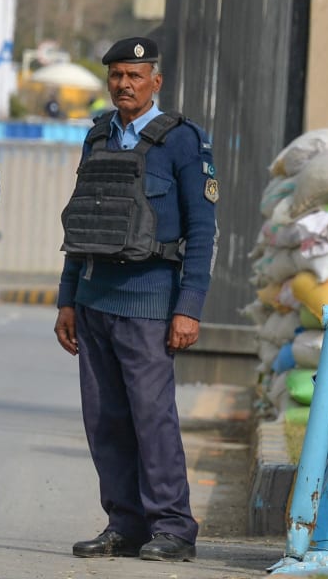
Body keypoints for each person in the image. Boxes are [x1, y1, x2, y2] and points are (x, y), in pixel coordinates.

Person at [53, 36, 216, 564]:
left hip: (150, 302)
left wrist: (188, 306)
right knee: (103, 419)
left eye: (135, 76)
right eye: (117, 76)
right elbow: (84, 222)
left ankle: (172, 527)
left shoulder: (182, 141)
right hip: (95, 298)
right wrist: (67, 299)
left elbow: (203, 230)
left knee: (152, 418)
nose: (125, 85)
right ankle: (124, 524)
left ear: (156, 82)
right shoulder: (98, 135)